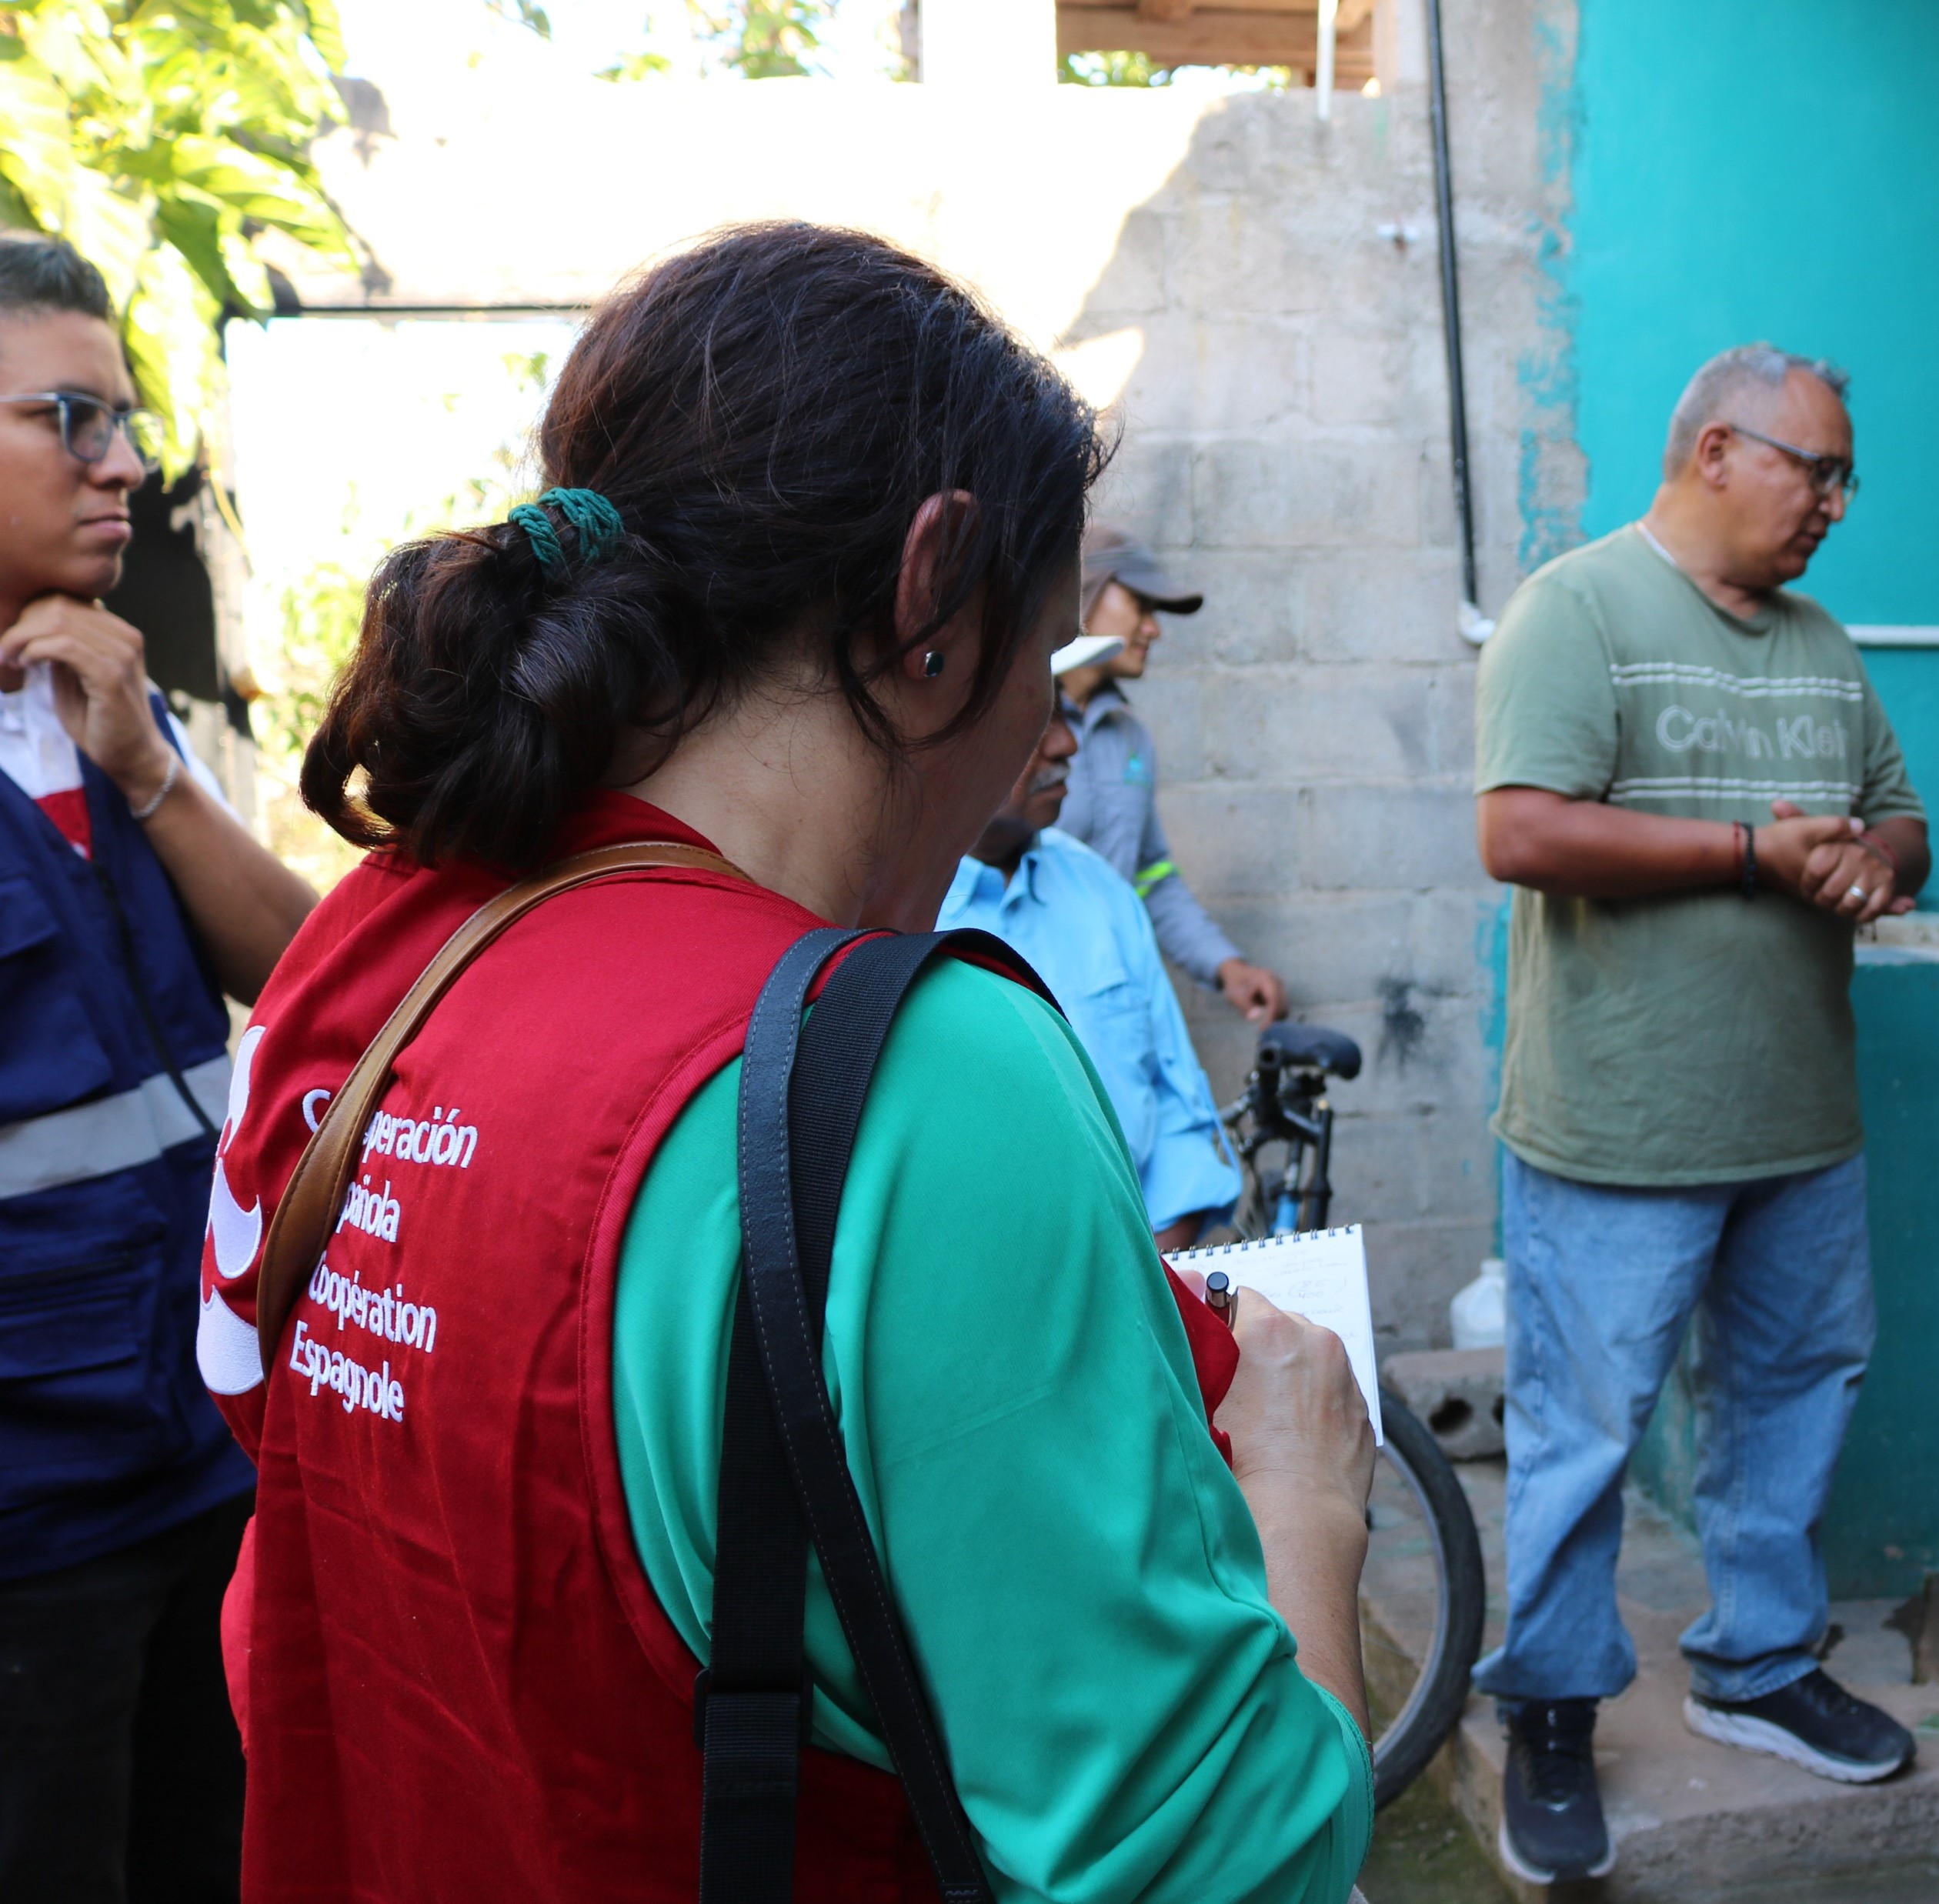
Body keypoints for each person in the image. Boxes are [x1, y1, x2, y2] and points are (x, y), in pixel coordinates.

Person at [196, 223, 1376, 1901]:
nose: (1033, 749)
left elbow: (288, 1583)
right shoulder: (909, 1074)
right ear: (932, 600)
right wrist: (1308, 1504)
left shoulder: (387, 940)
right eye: (1040, 660)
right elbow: (1220, 1868)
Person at [1470, 342, 1933, 1882]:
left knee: (1794, 1389)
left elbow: (1899, 814)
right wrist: (1753, 853)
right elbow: (1519, 830)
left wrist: (1877, 860)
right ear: (1719, 450)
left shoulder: (1819, 643)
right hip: (1618, 1124)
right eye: (1818, 471)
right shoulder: (1576, 609)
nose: (1833, 507)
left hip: (1798, 1116)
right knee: (1582, 1428)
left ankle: (1758, 1663)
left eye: (1843, 477)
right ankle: (1547, 1701)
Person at [0, 234, 317, 1903]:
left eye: (121, 417)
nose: (124, 461)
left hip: (197, 1461)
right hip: (25, 1529)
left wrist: (143, 771)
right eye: (72, 416)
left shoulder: (104, 697)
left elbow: (302, 979)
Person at [938, 679, 1244, 1252]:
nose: (1066, 745)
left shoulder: (1099, 889)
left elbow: (1177, 1098)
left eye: (1065, 718)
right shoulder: (897, 919)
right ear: (949, 739)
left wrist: (1150, 1265)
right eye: (1036, 718)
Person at [1053, 525, 1290, 1025]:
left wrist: (1227, 967)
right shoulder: (1011, 734)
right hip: (1034, 1004)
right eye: (1141, 606)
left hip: (1114, 1005)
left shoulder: (1129, 737)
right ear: (1084, 591)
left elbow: (1150, 875)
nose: (1154, 629)